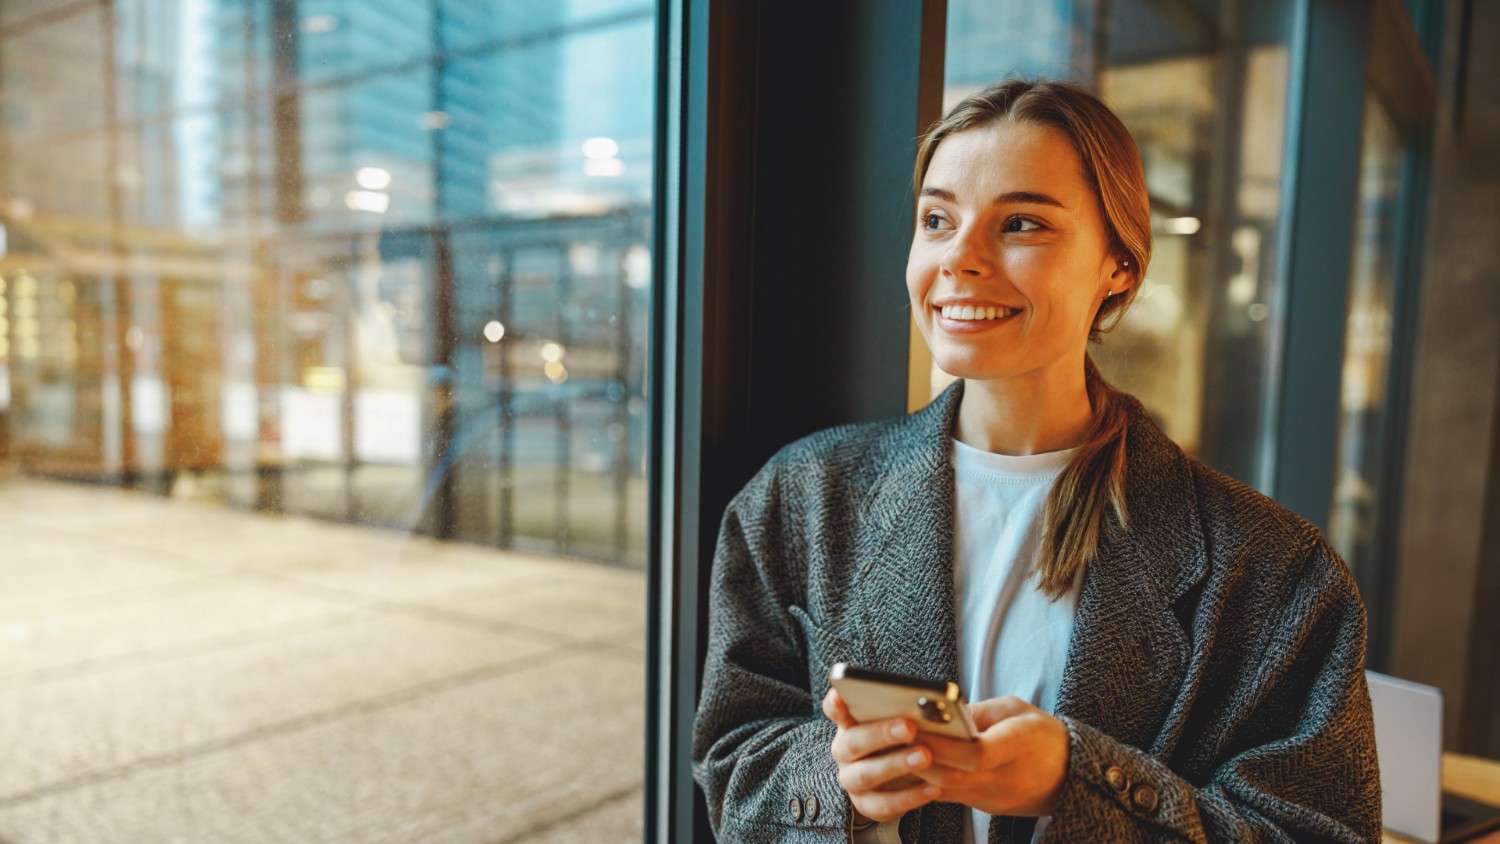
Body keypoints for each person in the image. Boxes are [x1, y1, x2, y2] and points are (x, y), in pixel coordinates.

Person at [690, 77, 1380, 843]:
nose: (961, 257)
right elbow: (731, 761)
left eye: (1020, 223)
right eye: (937, 219)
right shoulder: (799, 500)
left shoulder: (1277, 573)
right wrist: (841, 782)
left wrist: (1082, 785)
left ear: (1119, 265)